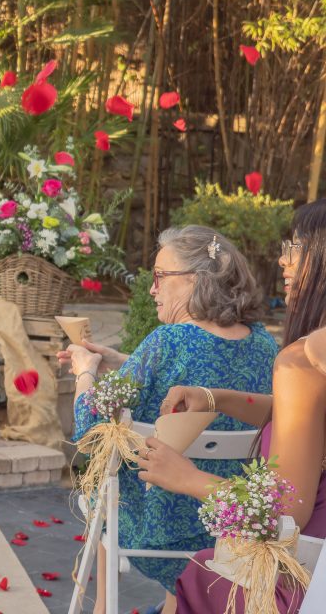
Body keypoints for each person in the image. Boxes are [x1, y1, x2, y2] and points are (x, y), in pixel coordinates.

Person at [61, 225, 276, 614]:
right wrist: (123, 360)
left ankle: (102, 609)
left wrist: (85, 370)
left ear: (196, 280)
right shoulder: (264, 345)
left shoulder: (166, 344)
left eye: (160, 276)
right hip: (229, 521)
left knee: (106, 491)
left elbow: (88, 433)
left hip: (157, 525)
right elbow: (212, 380)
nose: (152, 288)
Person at [139, 203, 326, 613]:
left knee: (200, 573)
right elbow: (309, 422)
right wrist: (217, 398)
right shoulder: (264, 341)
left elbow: (284, 514)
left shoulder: (303, 360)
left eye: (296, 246)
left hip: (303, 576)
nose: (283, 258)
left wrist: (188, 478)